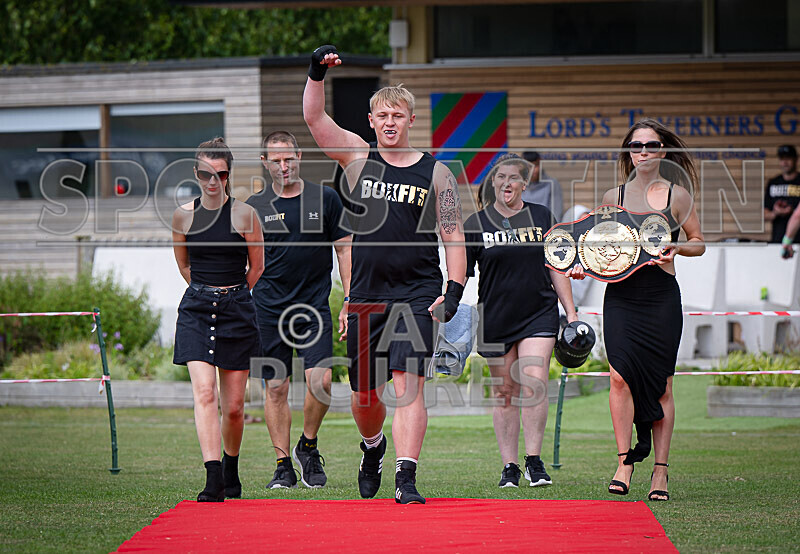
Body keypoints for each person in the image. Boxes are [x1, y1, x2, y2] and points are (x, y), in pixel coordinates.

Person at [303, 45, 466, 504]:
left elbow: (453, 235)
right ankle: (373, 447)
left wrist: (454, 289)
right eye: (383, 116)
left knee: (408, 383)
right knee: (365, 396)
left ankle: (406, 477)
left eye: (398, 115)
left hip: (417, 292)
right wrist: (316, 72)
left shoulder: (437, 173)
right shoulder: (358, 157)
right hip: (367, 294)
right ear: (371, 122)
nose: (390, 122)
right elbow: (314, 119)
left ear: (411, 120)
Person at [567, 118, 705, 501]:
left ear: (663, 151)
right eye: (636, 145)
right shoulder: (613, 195)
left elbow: (699, 241)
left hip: (660, 297)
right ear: (629, 153)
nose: (643, 151)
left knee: (662, 385)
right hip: (622, 297)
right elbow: (597, 247)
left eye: (651, 145)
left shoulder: (677, 195)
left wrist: (678, 248)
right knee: (618, 378)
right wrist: (580, 265)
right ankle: (624, 461)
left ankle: (660, 471)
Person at [246, 130, 352, 489]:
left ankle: (307, 445)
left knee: (322, 382)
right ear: (264, 163)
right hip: (266, 309)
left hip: (313, 307)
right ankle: (282, 465)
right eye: (276, 160)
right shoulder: (254, 207)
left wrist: (350, 298)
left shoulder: (325, 198)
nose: (283, 166)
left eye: (288, 158)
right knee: (276, 388)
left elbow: (344, 249)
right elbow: (243, 261)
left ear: (299, 156)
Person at [465, 154, 578, 488]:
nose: (507, 183)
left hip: (538, 311)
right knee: (504, 391)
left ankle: (534, 460)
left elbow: (557, 267)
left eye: (513, 177)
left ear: (524, 184)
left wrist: (571, 314)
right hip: (495, 315)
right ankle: (510, 466)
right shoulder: (476, 223)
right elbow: (461, 271)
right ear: (492, 183)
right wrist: (448, 298)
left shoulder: (542, 216)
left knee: (534, 381)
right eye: (500, 177)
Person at [172, 137, 265, 502]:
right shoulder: (183, 215)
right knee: (205, 393)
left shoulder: (245, 215)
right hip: (196, 310)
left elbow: (256, 266)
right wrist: (205, 291)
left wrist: (232, 293)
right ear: (196, 174)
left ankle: (230, 467)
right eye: (206, 174)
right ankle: (213, 477)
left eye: (221, 175)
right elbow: (183, 264)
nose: (213, 181)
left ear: (229, 175)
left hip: (237, 310)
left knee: (235, 407)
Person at [764, 144, 800, 245]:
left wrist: (793, 211)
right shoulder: (773, 183)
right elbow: (764, 214)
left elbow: (797, 215)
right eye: (782, 159)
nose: (785, 162)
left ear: (796, 160)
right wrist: (776, 213)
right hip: (778, 240)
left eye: (788, 158)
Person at [521, 151, 563, 222]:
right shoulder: (518, 184)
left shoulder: (552, 184)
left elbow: (556, 213)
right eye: (529, 166)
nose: (533, 170)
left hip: (546, 225)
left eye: (536, 165)